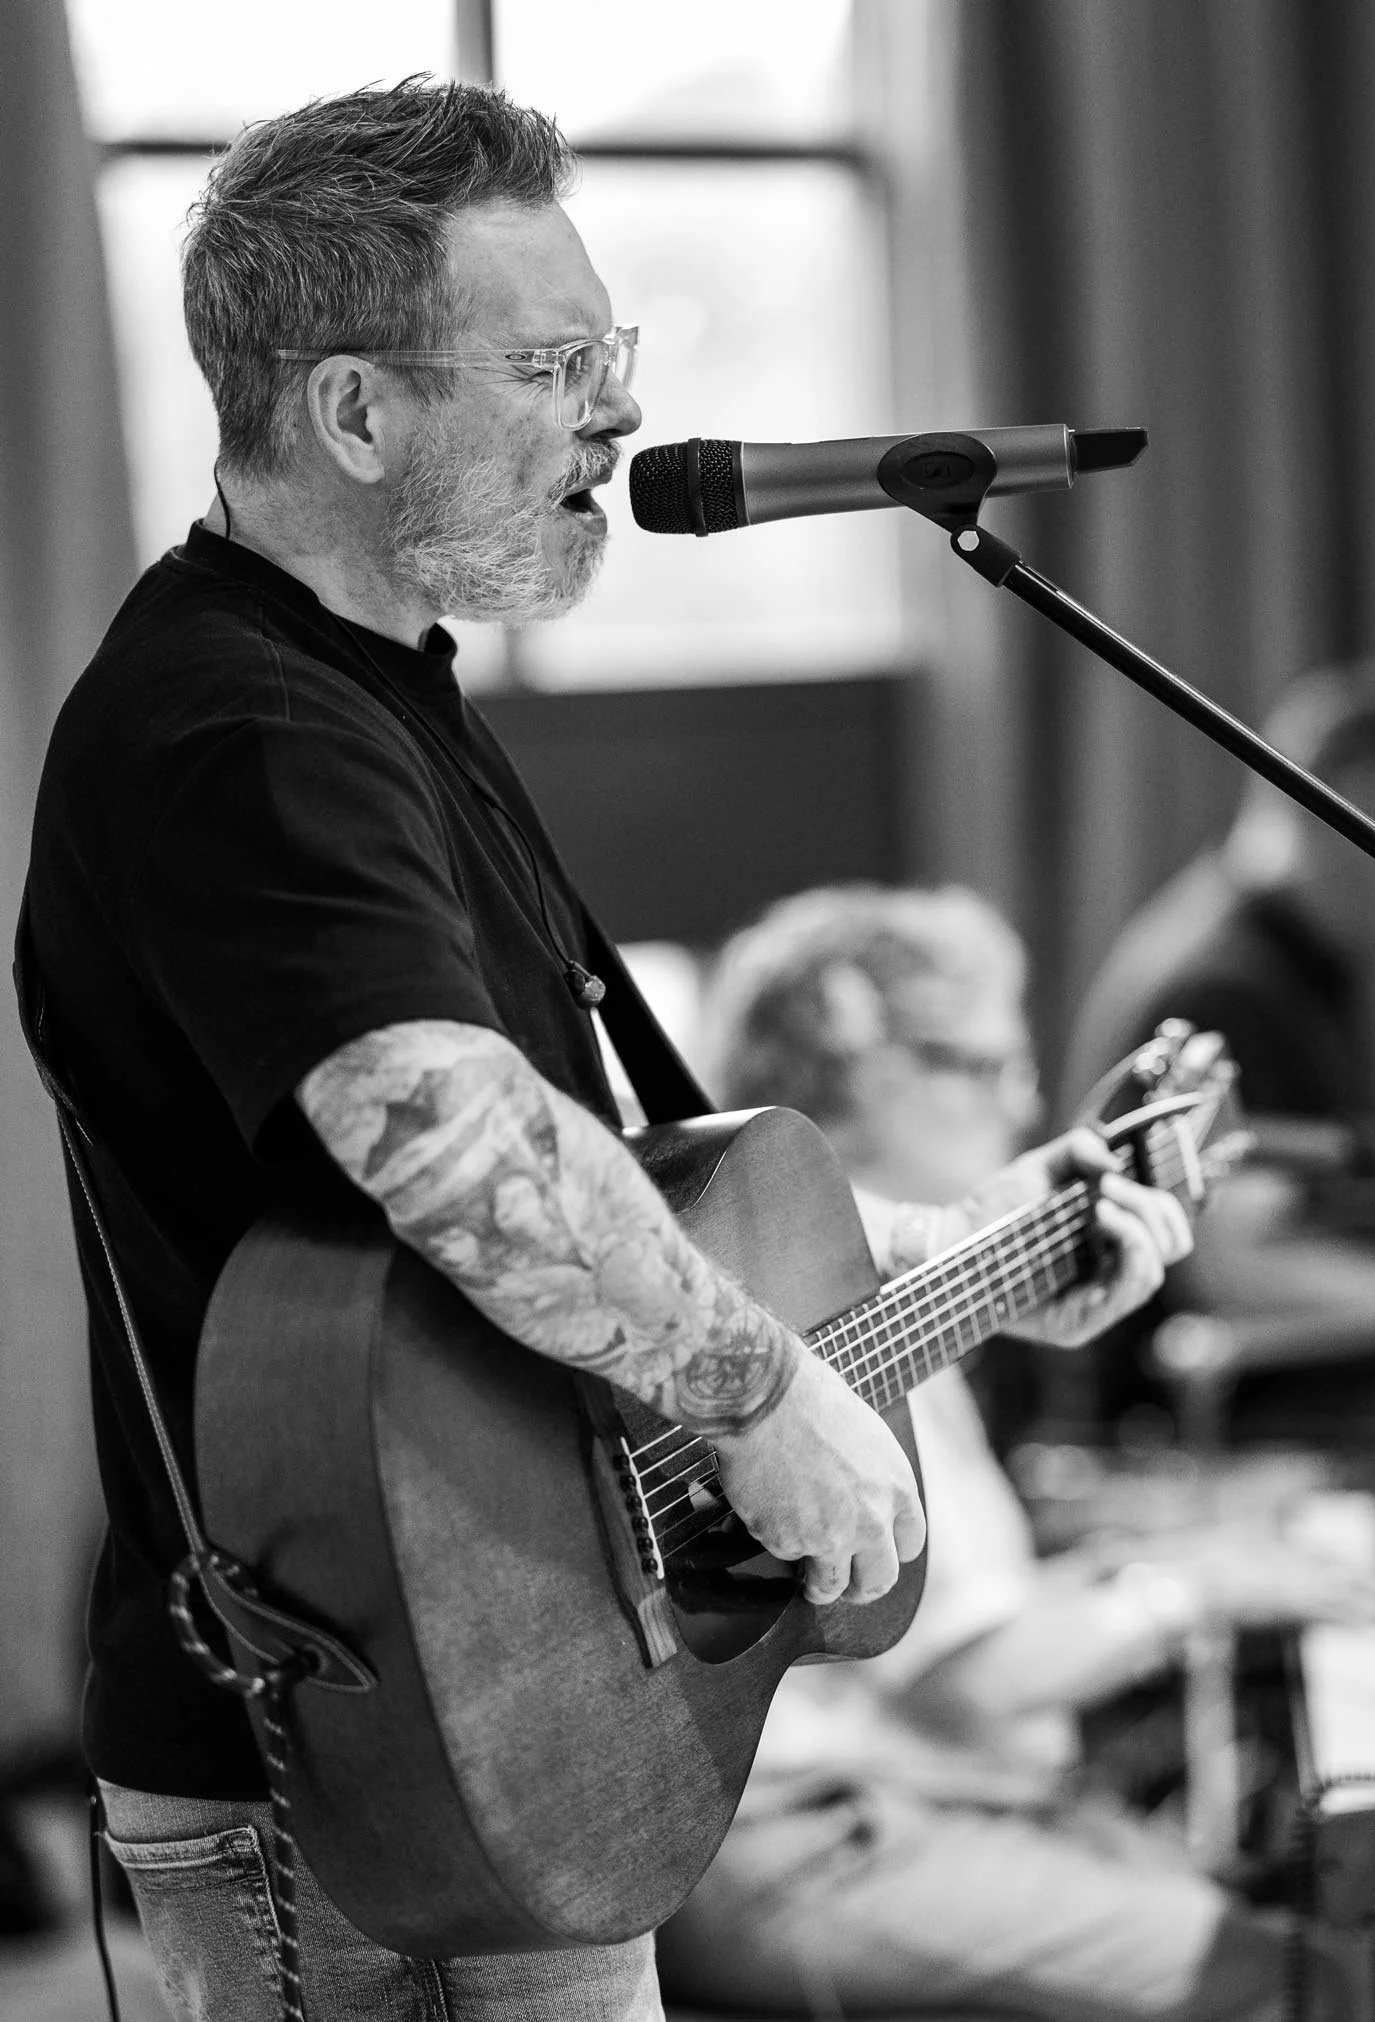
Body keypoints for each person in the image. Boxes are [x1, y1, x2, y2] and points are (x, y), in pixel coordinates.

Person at [13, 83, 1190, 2022]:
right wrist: (758, 1400)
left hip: (515, 1709)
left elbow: (616, 1192)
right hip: (354, 1774)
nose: (620, 416)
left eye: (611, 355)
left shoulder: (375, 685)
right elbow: (444, 1136)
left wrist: (972, 1251)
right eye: (553, 364)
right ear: (354, 411)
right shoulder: (241, 731)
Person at [655, 884, 1375, 2022]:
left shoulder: (899, 1297)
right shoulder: (796, 1313)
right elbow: (971, 1689)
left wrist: (1184, 1556)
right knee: (1295, 1974)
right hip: (797, 1836)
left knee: (1291, 1896)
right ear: (860, 1068)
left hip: (901, 1803)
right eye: (985, 1067)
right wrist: (1196, 1588)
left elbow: (967, 1623)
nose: (1024, 1104)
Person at [1060, 664, 1375, 1439]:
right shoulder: (1221, 991)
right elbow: (1237, 1271)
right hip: (1208, 1439)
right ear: (1349, 818)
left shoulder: (1306, 965)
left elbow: (1330, 1179)